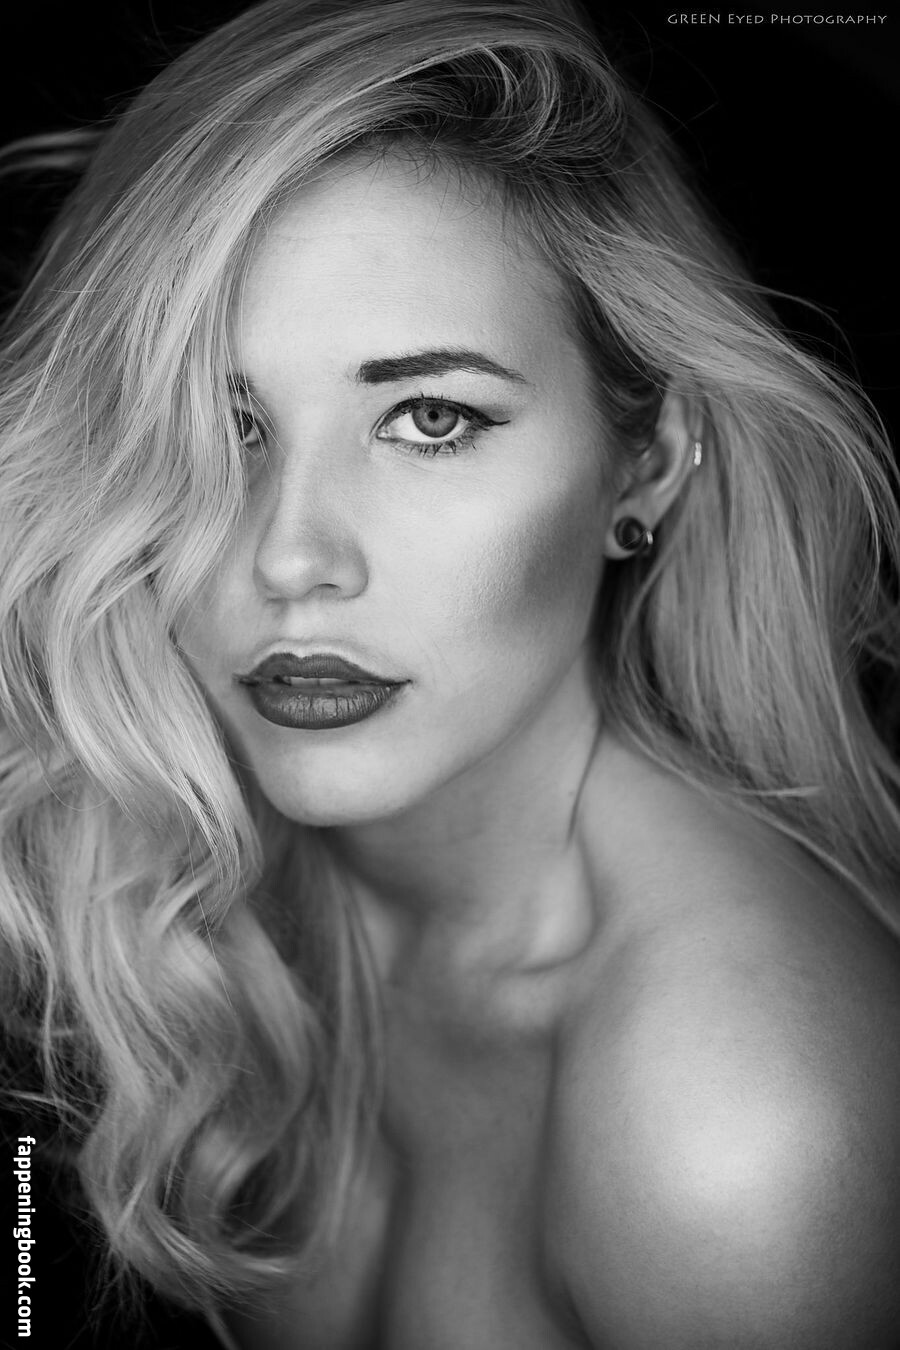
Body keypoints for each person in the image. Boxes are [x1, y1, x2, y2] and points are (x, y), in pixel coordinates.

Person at [2, 0, 900, 1346]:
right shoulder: (166, 881)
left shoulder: (740, 1125)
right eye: (218, 424)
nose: (291, 557)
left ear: (646, 465)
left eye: (431, 419)